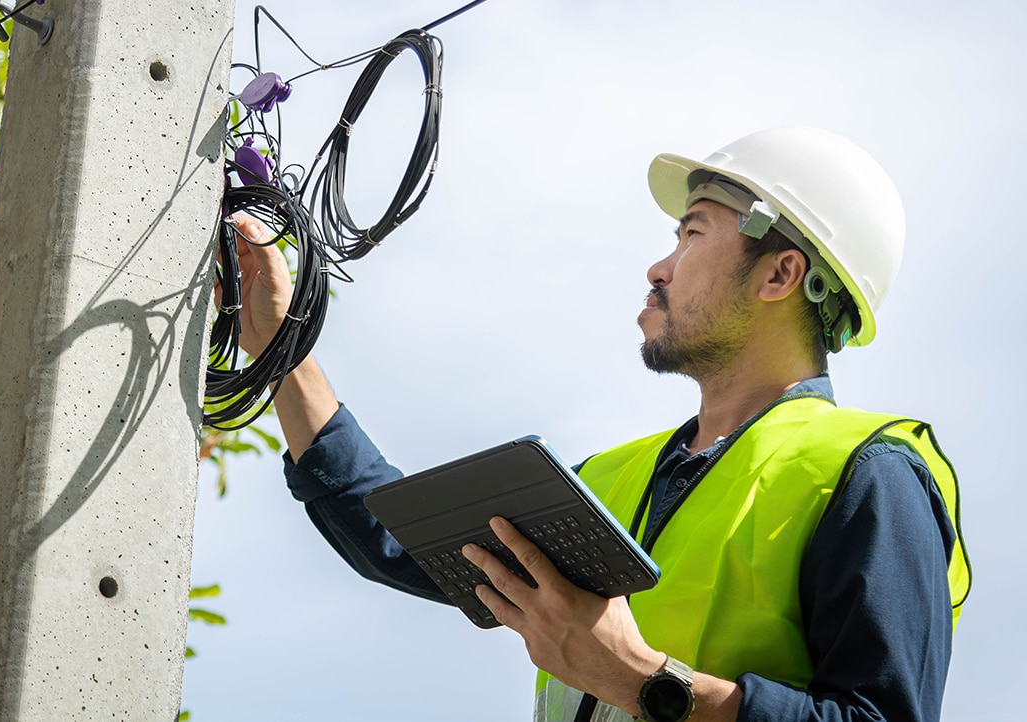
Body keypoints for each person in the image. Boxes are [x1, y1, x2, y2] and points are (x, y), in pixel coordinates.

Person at [224, 127, 970, 722]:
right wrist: (283, 351)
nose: (659, 265)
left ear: (780, 274)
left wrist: (641, 679)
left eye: (693, 233)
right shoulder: (612, 480)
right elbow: (399, 538)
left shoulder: (868, 474)